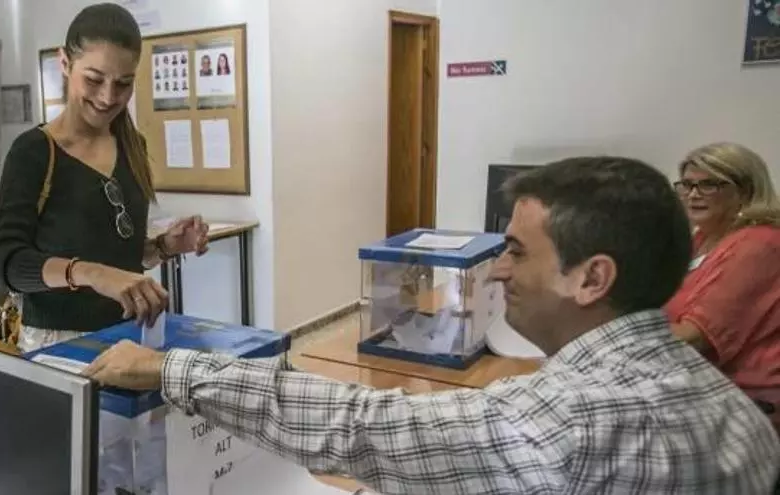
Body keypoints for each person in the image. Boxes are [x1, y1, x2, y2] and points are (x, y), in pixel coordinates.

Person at [84, 157, 780, 494]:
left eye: (516, 251)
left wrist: (171, 368)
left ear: (592, 278)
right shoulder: (738, 416)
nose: (497, 271)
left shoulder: (566, 424)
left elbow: (365, 426)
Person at [0, 3, 209, 352]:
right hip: (58, 341)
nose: (108, 97)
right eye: (94, 79)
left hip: (132, 333)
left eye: (123, 84)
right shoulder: (35, 151)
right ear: (65, 63)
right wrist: (92, 274)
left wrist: (164, 246)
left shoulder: (132, 145)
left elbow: (118, 254)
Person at [664, 142, 780, 431]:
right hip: (699, 386)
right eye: (687, 185)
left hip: (746, 403)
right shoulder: (702, 238)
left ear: (745, 191)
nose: (693, 194)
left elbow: (695, 337)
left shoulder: (759, 243)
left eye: (709, 185)